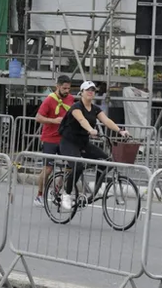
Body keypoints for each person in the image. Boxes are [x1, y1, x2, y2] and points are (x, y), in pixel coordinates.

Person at [58, 81, 129, 210]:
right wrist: (90, 130)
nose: (91, 92)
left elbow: (106, 120)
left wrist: (120, 131)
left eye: (93, 90)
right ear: (82, 93)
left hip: (83, 143)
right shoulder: (76, 107)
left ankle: (97, 188)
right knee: (78, 165)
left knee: (106, 161)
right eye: (88, 90)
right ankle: (66, 194)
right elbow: (81, 120)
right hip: (69, 142)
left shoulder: (95, 109)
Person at [34, 75, 75, 207]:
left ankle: (56, 190)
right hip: (50, 138)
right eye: (64, 88)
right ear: (57, 86)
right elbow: (38, 117)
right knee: (48, 169)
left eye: (68, 88)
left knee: (70, 167)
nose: (67, 91)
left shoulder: (70, 99)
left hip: (65, 139)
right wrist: (53, 121)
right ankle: (39, 195)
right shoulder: (49, 100)